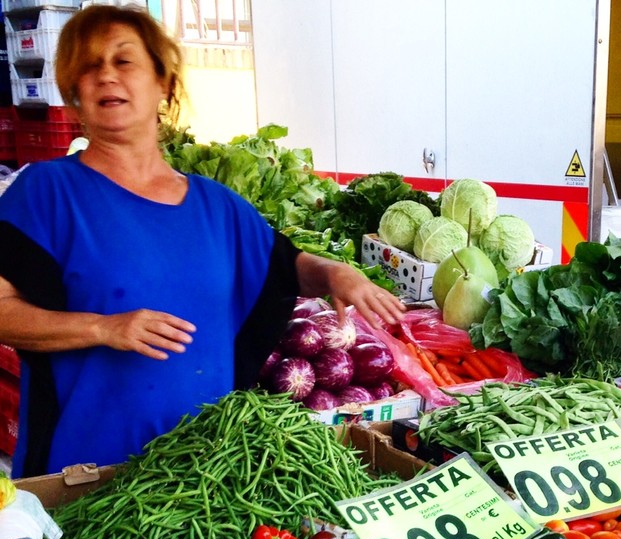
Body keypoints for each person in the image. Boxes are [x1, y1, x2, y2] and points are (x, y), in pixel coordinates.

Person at [0, 4, 405, 478]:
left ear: (163, 82)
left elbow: (285, 265)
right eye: (89, 66)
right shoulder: (46, 193)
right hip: (82, 475)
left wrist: (335, 273)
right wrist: (103, 329)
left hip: (205, 476)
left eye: (124, 60)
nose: (106, 75)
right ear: (74, 91)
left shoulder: (216, 205)